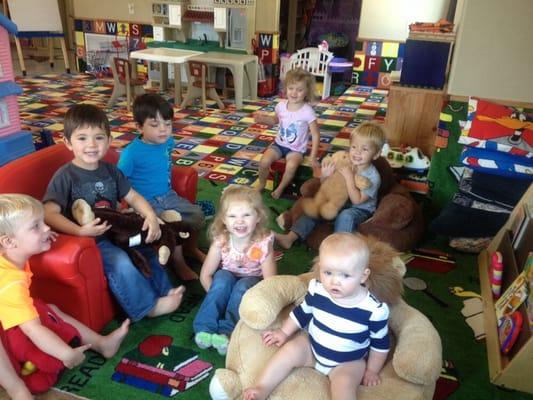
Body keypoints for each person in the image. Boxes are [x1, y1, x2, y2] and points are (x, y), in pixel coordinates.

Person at [43, 104, 185, 322]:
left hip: (119, 233)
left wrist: (150, 217)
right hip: (92, 241)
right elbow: (49, 213)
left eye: (99, 138)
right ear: (68, 142)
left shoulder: (111, 171)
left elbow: (134, 197)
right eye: (82, 138)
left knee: (149, 248)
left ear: (109, 141)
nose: (91, 145)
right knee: (120, 262)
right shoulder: (65, 176)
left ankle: (164, 292)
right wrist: (79, 231)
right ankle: (147, 307)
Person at [0, 194, 130, 396]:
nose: (46, 228)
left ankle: (101, 344)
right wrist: (66, 354)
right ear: (8, 242)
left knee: (49, 308)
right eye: (35, 226)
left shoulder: (9, 254)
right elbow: (32, 329)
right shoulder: (10, 284)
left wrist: (40, 237)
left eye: (43, 222)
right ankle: (16, 388)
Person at [244, 233, 390, 400]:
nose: (335, 281)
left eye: (345, 275)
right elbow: (302, 313)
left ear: (363, 276)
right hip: (312, 348)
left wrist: (372, 370)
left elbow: (380, 345)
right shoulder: (318, 290)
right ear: (320, 268)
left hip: (347, 363)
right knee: (289, 351)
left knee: (344, 386)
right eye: (328, 273)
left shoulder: (373, 310)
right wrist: (284, 332)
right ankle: (261, 388)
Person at [118, 93, 206, 281]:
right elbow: (118, 179)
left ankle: (191, 248)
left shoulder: (167, 141)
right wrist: (124, 206)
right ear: (139, 127)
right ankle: (179, 263)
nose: (163, 130)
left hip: (167, 195)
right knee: (172, 223)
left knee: (197, 214)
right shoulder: (131, 154)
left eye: (167, 124)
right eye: (155, 124)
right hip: (145, 202)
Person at [193, 185, 277, 355]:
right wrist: (219, 296)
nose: (239, 221)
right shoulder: (221, 241)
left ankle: (227, 333)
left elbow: (271, 283)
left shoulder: (263, 243)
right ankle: (204, 329)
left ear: (258, 216)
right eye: (232, 216)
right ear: (224, 219)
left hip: (253, 281)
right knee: (222, 278)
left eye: (246, 215)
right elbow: (205, 274)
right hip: (228, 278)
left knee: (242, 286)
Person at [275, 122, 385, 250]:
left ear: (376, 154)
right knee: (317, 208)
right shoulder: (344, 161)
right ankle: (290, 238)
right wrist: (325, 176)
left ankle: (337, 249)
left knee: (346, 216)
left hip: (359, 209)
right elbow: (328, 188)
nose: (357, 153)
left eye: (364, 149)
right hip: (338, 203)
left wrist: (349, 178)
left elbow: (357, 201)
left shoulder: (372, 176)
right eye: (354, 147)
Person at [255, 67, 320, 199]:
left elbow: (316, 135)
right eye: (291, 88)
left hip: (296, 150)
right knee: (264, 161)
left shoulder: (308, 111)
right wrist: (263, 119)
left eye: (299, 90)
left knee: (291, 166)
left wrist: (312, 157)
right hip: (279, 145)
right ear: (285, 88)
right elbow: (275, 120)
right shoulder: (280, 106)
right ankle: (261, 184)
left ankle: (280, 188)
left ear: (306, 91)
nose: (294, 93)